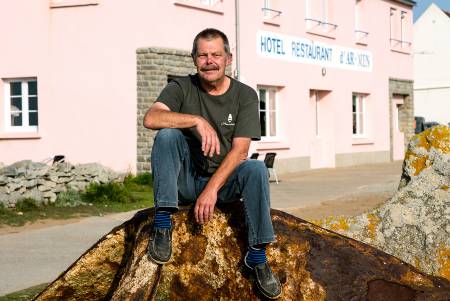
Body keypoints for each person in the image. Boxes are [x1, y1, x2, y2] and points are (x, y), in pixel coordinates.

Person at [143, 28, 282, 299]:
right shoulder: (181, 87)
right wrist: (196, 120)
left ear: (228, 58)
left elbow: (241, 150)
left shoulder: (245, 95)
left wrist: (211, 191)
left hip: (223, 183)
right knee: (168, 134)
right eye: (203, 55)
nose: (210, 61)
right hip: (185, 181)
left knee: (255, 168)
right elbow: (151, 118)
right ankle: (162, 223)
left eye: (216, 54)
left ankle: (257, 255)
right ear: (194, 59)